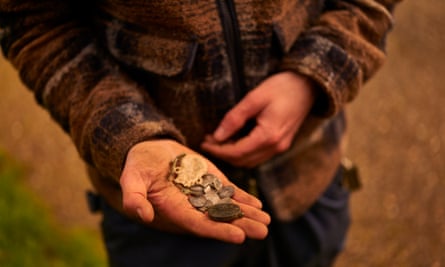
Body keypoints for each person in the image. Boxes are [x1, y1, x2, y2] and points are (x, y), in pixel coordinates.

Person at [0, 0, 401, 266]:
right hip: (160, 222)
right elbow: (32, 21)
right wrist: (129, 132)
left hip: (310, 184)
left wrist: (317, 75)